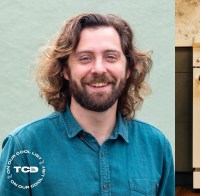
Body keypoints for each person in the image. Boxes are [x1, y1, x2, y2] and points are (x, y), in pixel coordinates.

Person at [0, 13, 174, 195]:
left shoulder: (155, 146)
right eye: (85, 58)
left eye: (111, 57)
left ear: (128, 69)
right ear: (66, 70)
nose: (99, 68)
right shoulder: (23, 148)